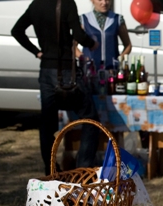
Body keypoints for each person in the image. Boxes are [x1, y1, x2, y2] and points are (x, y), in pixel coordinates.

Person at [12, 0, 100, 174]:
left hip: (46, 71)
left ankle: (50, 168)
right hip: (66, 70)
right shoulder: (67, 4)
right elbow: (79, 36)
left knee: (47, 123)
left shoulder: (36, 5)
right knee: (90, 119)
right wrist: (92, 43)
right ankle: (82, 168)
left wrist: (36, 51)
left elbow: (16, 31)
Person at [77, 0, 131, 70]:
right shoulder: (84, 19)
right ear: (92, 1)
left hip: (111, 69)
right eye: (100, 0)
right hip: (90, 70)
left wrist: (120, 59)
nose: (104, 3)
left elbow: (128, 45)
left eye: (107, 0)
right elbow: (73, 46)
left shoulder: (117, 19)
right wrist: (83, 58)